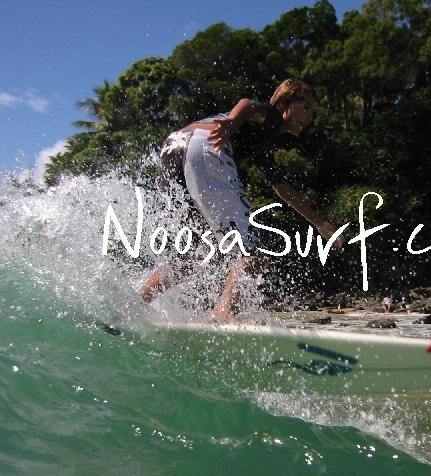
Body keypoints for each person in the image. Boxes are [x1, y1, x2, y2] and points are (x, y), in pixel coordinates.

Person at [139, 79, 344, 320]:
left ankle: (137, 302)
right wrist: (232, 122)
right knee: (253, 255)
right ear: (285, 102)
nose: (309, 118)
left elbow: (282, 188)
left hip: (174, 147)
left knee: (195, 255)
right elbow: (248, 105)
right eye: (306, 107)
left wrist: (319, 223)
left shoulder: (262, 141)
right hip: (206, 143)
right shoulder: (272, 116)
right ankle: (223, 314)